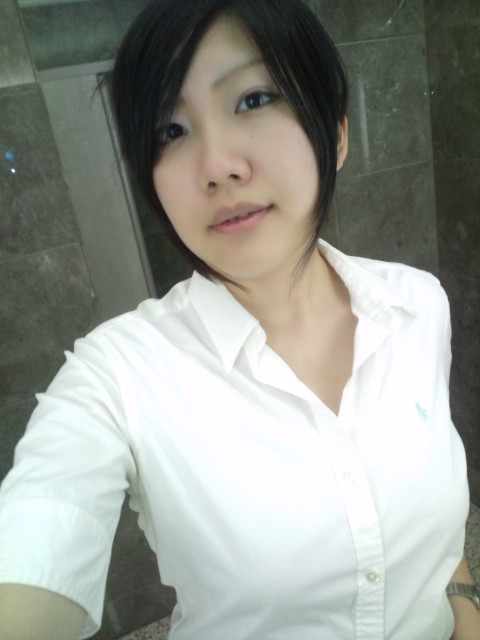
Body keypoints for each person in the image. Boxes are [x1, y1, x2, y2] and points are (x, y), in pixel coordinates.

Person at [0, 0, 479, 639]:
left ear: (335, 132)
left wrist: (463, 604)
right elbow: (36, 542)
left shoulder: (418, 304)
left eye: (253, 99)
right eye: (170, 131)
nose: (218, 165)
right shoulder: (116, 377)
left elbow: (435, 512)